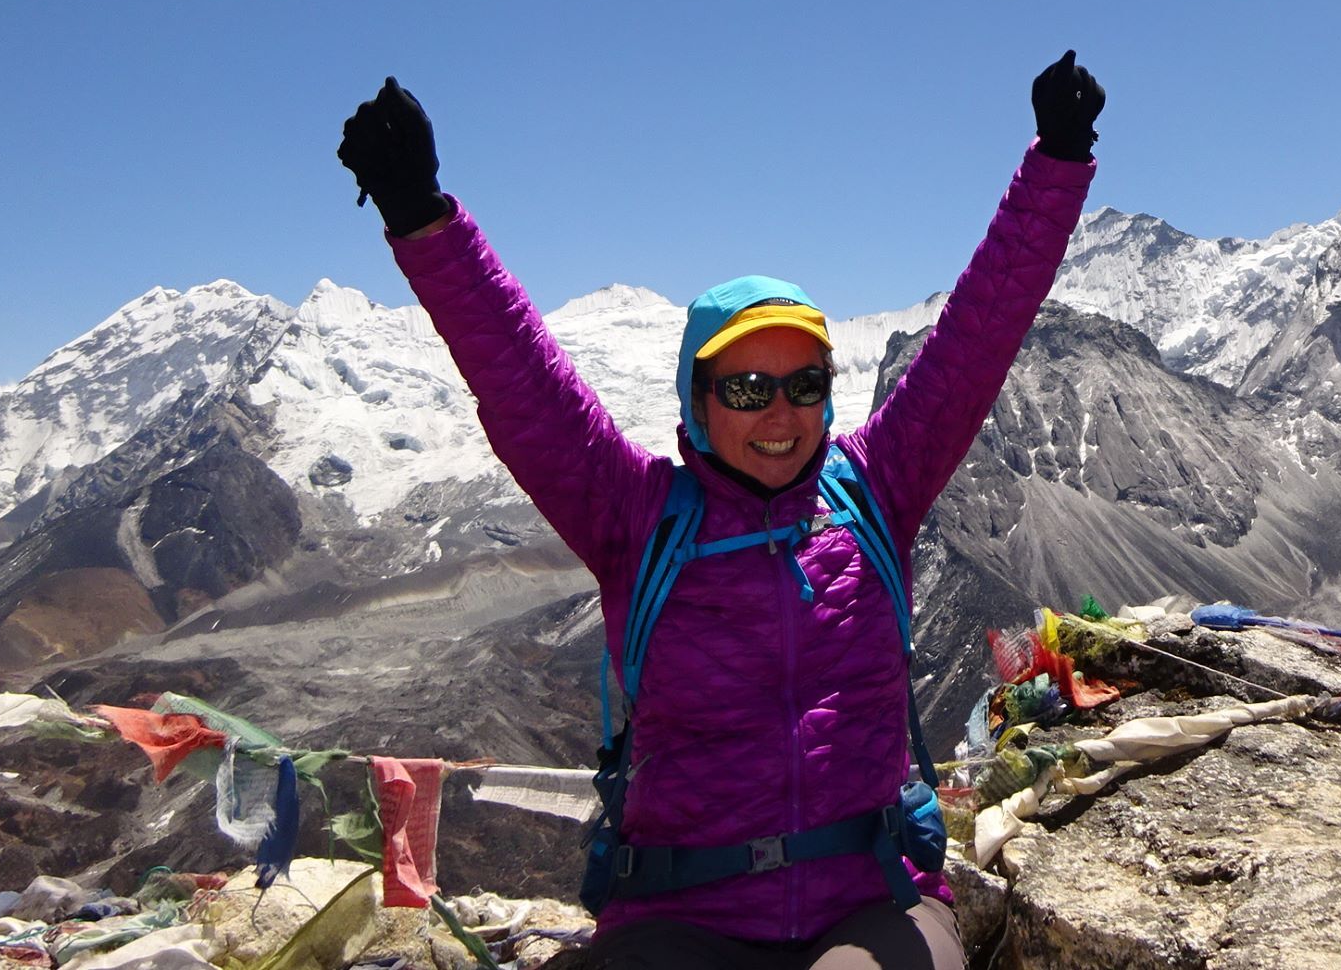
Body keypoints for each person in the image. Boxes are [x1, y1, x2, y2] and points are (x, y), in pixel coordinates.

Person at [336, 53, 1105, 970]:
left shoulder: (878, 487)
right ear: (697, 403)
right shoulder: (634, 517)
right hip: (676, 913)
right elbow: (522, 382)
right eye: (745, 386)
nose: (779, 413)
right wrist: (422, 216)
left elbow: (980, 333)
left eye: (804, 383)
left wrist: (1054, 165)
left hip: (867, 901)